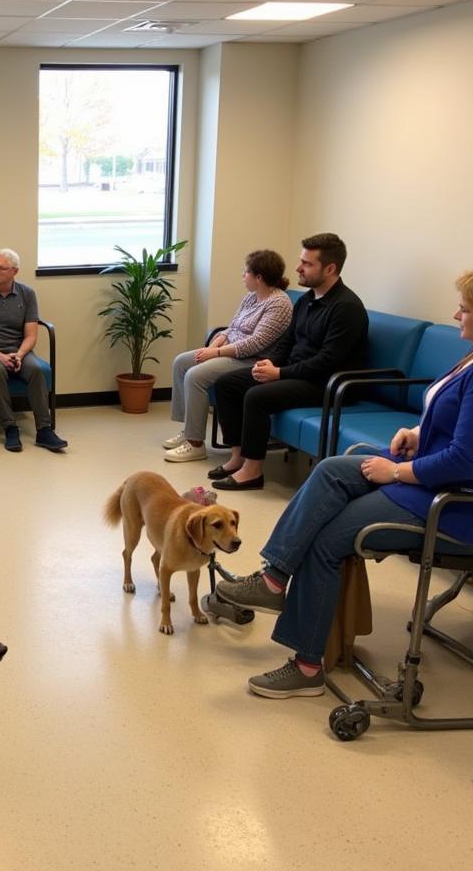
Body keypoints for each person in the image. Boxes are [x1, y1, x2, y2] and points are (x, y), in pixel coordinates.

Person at [216, 272, 473, 699]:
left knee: (328, 539)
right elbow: (450, 423)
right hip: (427, 471)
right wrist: (415, 430)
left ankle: (307, 665)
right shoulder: (468, 359)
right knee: (338, 466)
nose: (454, 315)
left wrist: (396, 472)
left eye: (464, 309)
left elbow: (465, 458)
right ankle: (274, 580)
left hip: (450, 504)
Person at [210, 233, 368, 490]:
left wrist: (280, 373)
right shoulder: (307, 300)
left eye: (307, 263)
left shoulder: (346, 308)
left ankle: (252, 471)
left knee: (256, 396)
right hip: (296, 373)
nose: (298, 268)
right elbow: (287, 341)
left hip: (326, 383)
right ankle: (238, 457)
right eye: (301, 261)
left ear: (330, 269)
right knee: (227, 383)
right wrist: (268, 364)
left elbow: (327, 361)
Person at [164, 250, 293, 463]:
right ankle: (188, 429)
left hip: (253, 359)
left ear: (258, 277)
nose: (243, 275)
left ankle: (195, 444)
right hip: (230, 351)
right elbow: (231, 328)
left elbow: (256, 343)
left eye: (246, 272)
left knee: (195, 376)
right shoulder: (251, 297)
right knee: (181, 362)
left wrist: (215, 353)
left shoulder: (279, 303)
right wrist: (215, 343)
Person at [0, 248, 67, 453]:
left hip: (17, 350)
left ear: (14, 271)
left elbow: (31, 335)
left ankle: (44, 430)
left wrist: (19, 354)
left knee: (36, 370)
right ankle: (10, 427)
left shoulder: (27, 294)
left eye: (0, 268)